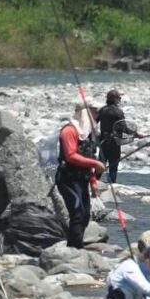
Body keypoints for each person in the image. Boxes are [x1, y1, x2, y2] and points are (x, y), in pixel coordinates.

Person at [55, 98, 105, 249]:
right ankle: (75, 250)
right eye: (94, 111)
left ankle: (75, 246)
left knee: (85, 215)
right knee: (77, 213)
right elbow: (70, 156)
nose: (97, 115)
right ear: (84, 113)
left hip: (82, 178)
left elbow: (88, 155)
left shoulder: (88, 134)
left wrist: (94, 182)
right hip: (68, 179)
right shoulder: (69, 131)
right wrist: (95, 164)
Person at [97, 89, 140, 183]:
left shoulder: (102, 110)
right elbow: (124, 127)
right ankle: (112, 183)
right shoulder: (118, 112)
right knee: (113, 164)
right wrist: (136, 134)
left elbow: (94, 123)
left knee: (101, 163)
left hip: (103, 142)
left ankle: (93, 182)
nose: (120, 100)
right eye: (119, 98)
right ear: (115, 99)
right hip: (114, 143)